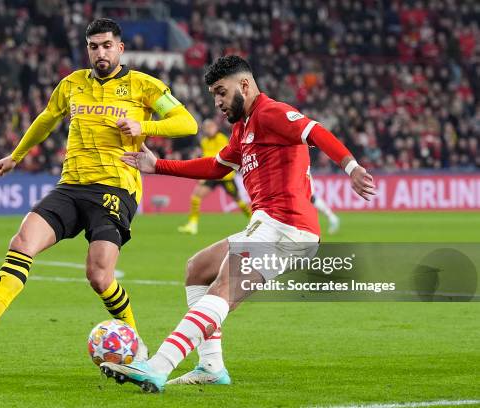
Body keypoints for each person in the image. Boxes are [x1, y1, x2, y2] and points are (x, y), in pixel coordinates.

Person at [101, 55, 375, 392]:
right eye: (214, 95)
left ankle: (157, 367)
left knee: (222, 290)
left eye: (221, 92)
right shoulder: (243, 127)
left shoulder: (270, 113)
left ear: (244, 85)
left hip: (285, 227)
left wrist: (352, 167)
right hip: (268, 225)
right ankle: (211, 367)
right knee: (198, 268)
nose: (217, 102)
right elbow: (217, 167)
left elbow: (314, 131)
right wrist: (158, 166)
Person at [0, 18, 198, 354]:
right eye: (93, 46)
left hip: (115, 188)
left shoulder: (143, 85)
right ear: (87, 49)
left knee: (99, 275)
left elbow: (187, 123)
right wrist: (16, 155)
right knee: (22, 240)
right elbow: (47, 118)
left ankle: (136, 343)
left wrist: (142, 125)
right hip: (71, 186)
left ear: (120, 48)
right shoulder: (72, 83)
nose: (100, 52)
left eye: (106, 45)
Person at [178, 118, 251, 235]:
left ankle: (253, 220)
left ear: (215, 127)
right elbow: (205, 157)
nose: (208, 130)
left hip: (225, 176)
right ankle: (192, 225)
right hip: (211, 175)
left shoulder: (221, 138)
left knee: (238, 200)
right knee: (196, 196)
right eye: (206, 128)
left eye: (210, 127)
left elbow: (219, 156)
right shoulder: (204, 142)